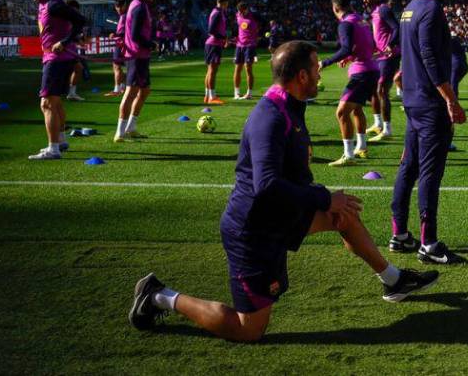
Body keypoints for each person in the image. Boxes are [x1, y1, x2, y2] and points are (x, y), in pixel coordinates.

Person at [128, 40, 439, 342]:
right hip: (253, 231)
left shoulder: (290, 105)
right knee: (248, 329)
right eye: (316, 68)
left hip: (281, 214)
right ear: (301, 76)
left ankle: (394, 281)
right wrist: (323, 198)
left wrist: (326, 200)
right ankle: (157, 295)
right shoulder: (271, 117)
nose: (321, 73)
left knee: (342, 215)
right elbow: (266, 185)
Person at [390, 0, 468, 266]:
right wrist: (450, 99)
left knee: (408, 167)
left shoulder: (410, 7)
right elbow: (430, 59)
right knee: (429, 174)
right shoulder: (432, 10)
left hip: (412, 101)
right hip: (429, 104)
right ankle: (429, 243)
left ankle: (399, 234)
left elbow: (410, 54)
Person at [26, 0, 86, 160]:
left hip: (57, 59)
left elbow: (80, 20)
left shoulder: (54, 5)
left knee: (47, 103)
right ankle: (60, 141)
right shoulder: (46, 4)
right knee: (56, 101)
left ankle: (53, 149)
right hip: (56, 57)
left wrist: (64, 42)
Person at [320, 0, 379, 166]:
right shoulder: (360, 20)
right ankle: (361, 146)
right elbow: (369, 45)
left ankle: (348, 155)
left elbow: (345, 48)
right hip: (372, 69)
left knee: (341, 112)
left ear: (335, 8)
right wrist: (351, 56)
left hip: (362, 73)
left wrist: (325, 62)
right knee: (357, 109)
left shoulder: (345, 24)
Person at [115, 0, 158, 142]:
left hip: (141, 55)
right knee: (130, 92)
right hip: (136, 55)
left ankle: (131, 127)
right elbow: (134, 35)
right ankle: (120, 132)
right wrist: (151, 44)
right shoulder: (139, 7)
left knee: (145, 90)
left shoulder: (142, 5)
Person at [366, 0, 400, 143]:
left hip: (390, 55)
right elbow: (378, 34)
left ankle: (387, 130)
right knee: (374, 90)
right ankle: (378, 124)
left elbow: (396, 27)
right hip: (380, 55)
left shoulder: (384, 9)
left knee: (382, 90)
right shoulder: (373, 13)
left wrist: (390, 44)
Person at [204, 0, 231, 105]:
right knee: (212, 71)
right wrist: (223, 38)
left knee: (210, 71)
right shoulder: (218, 13)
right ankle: (212, 96)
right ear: (224, 2)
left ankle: (207, 96)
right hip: (213, 44)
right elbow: (211, 30)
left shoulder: (218, 12)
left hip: (213, 44)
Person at [65, 0, 91, 102]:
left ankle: (71, 93)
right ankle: (66, 92)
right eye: (75, 10)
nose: (77, 12)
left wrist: (79, 39)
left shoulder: (72, 19)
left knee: (78, 68)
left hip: (70, 49)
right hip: (63, 49)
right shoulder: (64, 19)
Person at [233, 2, 260, 100]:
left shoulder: (254, 16)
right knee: (237, 69)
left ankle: (249, 93)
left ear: (246, 9)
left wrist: (258, 35)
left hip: (250, 45)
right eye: (239, 11)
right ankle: (236, 93)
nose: (240, 13)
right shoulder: (237, 15)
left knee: (248, 68)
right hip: (239, 45)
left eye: (242, 11)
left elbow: (265, 23)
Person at [105, 0, 128, 97]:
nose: (118, 8)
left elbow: (123, 33)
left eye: (119, 6)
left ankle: (116, 89)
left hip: (120, 45)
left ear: (124, 5)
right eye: (116, 6)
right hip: (124, 45)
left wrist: (114, 35)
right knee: (118, 67)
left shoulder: (124, 17)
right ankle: (122, 87)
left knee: (116, 67)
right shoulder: (125, 16)